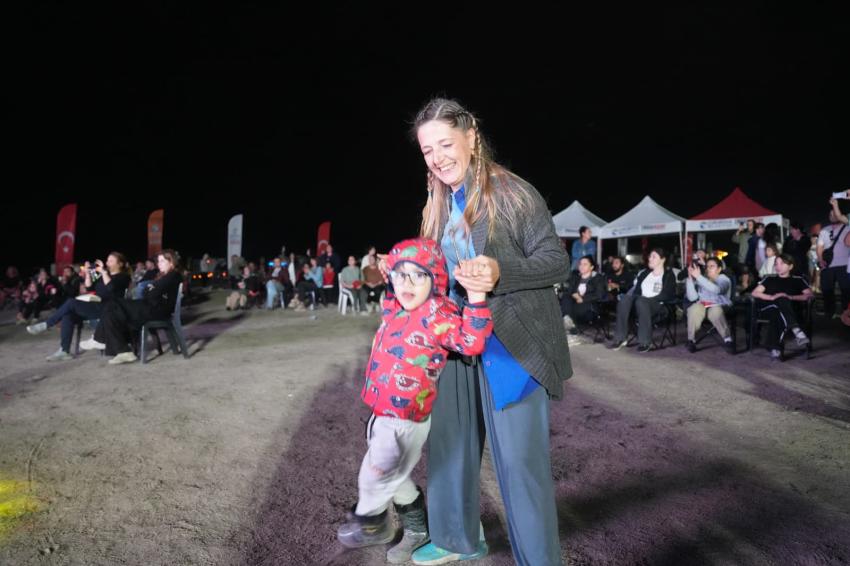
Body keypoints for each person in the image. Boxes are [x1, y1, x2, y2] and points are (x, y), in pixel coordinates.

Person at [401, 98, 570, 566]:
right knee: (449, 446)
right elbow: (441, 270)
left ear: (471, 137)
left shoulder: (512, 192)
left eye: (445, 144)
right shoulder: (438, 202)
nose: (437, 158)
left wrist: (499, 271)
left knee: (519, 466)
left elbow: (556, 261)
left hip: (511, 344)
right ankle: (456, 538)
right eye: (427, 150)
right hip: (457, 342)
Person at [337, 238, 493, 563]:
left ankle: (371, 521)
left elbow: (471, 341)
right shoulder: (397, 305)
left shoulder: (437, 312)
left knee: (376, 473)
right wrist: (388, 271)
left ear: (435, 279)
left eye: (418, 275)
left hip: (405, 418)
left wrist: (477, 298)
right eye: (401, 274)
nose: (407, 283)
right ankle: (416, 529)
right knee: (393, 476)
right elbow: (393, 289)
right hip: (382, 412)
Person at [26, 252, 132, 362]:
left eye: (111, 261)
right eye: (107, 260)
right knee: (68, 315)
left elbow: (111, 288)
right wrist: (87, 273)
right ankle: (64, 351)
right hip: (96, 305)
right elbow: (89, 287)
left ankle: (47, 324)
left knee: (71, 302)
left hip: (109, 310)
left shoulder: (123, 277)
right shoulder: (103, 275)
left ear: (120, 264)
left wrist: (103, 272)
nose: (107, 263)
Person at [87, 250, 183, 365]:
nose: (159, 263)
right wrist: (151, 288)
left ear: (171, 262)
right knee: (112, 308)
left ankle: (102, 340)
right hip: (151, 306)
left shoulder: (173, 275)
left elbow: (150, 293)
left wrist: (151, 288)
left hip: (157, 310)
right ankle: (119, 349)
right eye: (158, 261)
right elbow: (148, 291)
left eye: (162, 261)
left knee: (113, 305)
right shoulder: (164, 276)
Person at [609, 248, 677, 353]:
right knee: (625, 299)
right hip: (639, 304)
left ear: (663, 259)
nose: (650, 259)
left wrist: (646, 300)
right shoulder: (645, 273)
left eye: (654, 257)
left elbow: (667, 295)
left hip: (658, 306)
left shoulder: (668, 275)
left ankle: (645, 341)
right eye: (650, 256)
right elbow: (636, 292)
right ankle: (620, 338)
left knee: (642, 301)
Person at [751, 254, 813, 360]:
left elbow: (809, 295)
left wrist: (790, 297)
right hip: (768, 308)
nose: (778, 266)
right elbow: (755, 293)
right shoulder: (769, 279)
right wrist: (771, 297)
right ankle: (796, 329)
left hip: (789, 310)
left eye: (782, 263)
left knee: (779, 309)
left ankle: (775, 348)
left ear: (790, 266)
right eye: (776, 264)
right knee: (779, 300)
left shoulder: (798, 280)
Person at [684, 257, 733, 353]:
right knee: (694, 308)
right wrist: (690, 279)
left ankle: (727, 339)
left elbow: (717, 290)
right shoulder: (702, 279)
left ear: (719, 269)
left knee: (715, 310)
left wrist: (699, 277)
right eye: (707, 266)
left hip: (719, 305)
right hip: (703, 306)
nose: (708, 269)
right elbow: (692, 298)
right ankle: (691, 340)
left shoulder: (724, 279)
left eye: (712, 266)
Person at [817, 197, 850, 319]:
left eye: (835, 214)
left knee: (846, 291)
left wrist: (835, 205)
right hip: (828, 265)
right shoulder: (824, 230)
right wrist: (820, 260)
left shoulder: (848, 227)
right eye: (830, 214)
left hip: (844, 265)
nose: (833, 216)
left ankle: (846, 313)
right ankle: (829, 312)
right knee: (827, 290)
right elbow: (819, 247)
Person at [560, 255, 606, 335]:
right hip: (575, 304)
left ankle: (569, 323)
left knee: (569, 308)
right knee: (566, 297)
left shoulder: (598, 278)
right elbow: (569, 290)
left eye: (585, 264)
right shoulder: (575, 277)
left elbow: (599, 294)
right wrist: (574, 294)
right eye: (580, 264)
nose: (581, 266)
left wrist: (583, 299)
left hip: (589, 307)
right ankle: (569, 323)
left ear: (591, 267)